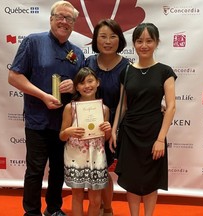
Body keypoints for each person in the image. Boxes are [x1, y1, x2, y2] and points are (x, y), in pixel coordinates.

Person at [8, 1, 85, 216]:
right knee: (35, 170)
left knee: (58, 170)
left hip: (64, 124)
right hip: (37, 120)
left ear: (74, 24)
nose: (64, 21)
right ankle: (31, 212)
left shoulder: (77, 53)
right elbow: (13, 77)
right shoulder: (33, 42)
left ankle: (54, 209)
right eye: (60, 16)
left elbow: (84, 89)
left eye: (69, 19)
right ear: (51, 19)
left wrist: (74, 86)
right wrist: (42, 96)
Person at [109, 23, 177, 216]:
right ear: (134, 43)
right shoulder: (127, 71)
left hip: (154, 132)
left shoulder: (165, 71)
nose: (144, 45)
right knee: (131, 180)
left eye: (149, 41)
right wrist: (114, 130)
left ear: (156, 43)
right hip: (130, 132)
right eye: (139, 41)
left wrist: (160, 139)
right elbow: (123, 105)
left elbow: (171, 106)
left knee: (150, 180)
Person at [85, 19, 130, 216]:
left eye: (113, 36)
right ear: (96, 40)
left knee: (103, 168)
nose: (108, 41)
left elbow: (124, 101)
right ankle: (100, 206)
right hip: (88, 124)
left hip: (112, 123)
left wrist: (114, 129)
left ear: (119, 40)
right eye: (103, 36)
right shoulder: (88, 62)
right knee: (95, 169)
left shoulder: (127, 67)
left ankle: (108, 208)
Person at [59, 67, 112, 216]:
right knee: (77, 196)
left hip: (97, 157)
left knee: (95, 200)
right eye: (82, 83)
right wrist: (68, 132)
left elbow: (105, 138)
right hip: (76, 157)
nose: (87, 86)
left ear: (98, 83)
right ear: (76, 87)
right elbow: (62, 136)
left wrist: (107, 129)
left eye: (90, 81)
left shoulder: (104, 109)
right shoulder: (70, 108)